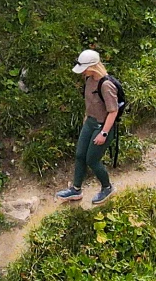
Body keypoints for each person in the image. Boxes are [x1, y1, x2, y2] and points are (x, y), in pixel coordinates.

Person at [55, 49, 119, 204]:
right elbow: (90, 103)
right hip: (90, 122)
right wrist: (86, 120)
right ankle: (75, 190)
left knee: (92, 159)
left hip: (102, 126)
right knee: (80, 155)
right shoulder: (89, 80)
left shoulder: (106, 85)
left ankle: (107, 187)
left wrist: (103, 133)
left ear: (92, 67)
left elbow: (113, 111)